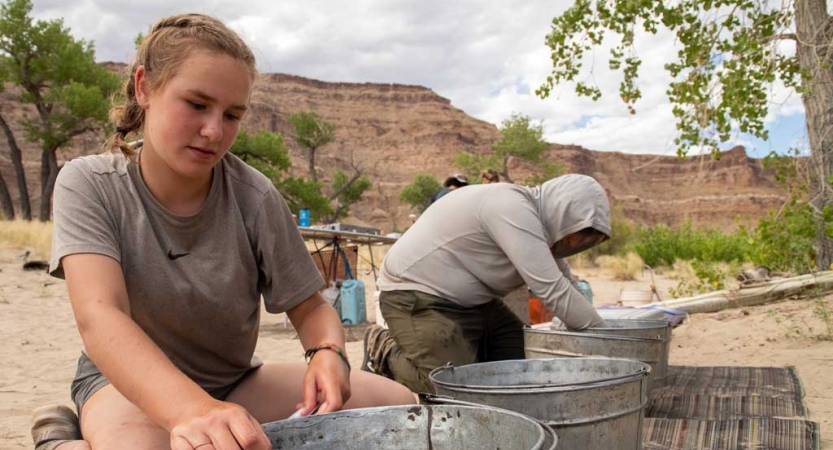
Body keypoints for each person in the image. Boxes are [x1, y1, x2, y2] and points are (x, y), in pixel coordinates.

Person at [33, 13, 414, 450]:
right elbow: (100, 318)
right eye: (196, 104)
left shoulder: (254, 195)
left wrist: (328, 353)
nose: (214, 131)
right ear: (144, 88)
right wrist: (191, 411)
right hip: (124, 387)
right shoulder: (90, 183)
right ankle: (63, 442)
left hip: (232, 383)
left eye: (232, 114)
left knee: (395, 407)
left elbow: (310, 309)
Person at [361, 174, 609, 393]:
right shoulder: (511, 207)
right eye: (573, 237)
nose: (572, 244)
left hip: (474, 302)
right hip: (415, 293)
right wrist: (611, 344)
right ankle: (381, 348)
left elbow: (567, 284)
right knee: (449, 385)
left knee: (525, 360)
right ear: (561, 212)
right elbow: (553, 290)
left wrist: (601, 332)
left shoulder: (539, 226)